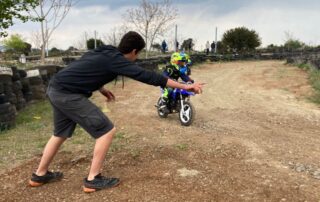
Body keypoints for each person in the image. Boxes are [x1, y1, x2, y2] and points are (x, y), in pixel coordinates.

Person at [28, 31, 203, 193]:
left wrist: (102, 89)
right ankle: (92, 179)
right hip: (68, 94)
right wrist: (186, 86)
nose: (137, 57)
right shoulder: (117, 60)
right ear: (134, 51)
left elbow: (85, 69)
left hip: (56, 88)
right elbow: (151, 77)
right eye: (139, 53)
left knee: (60, 133)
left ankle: (40, 175)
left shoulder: (105, 52)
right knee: (106, 131)